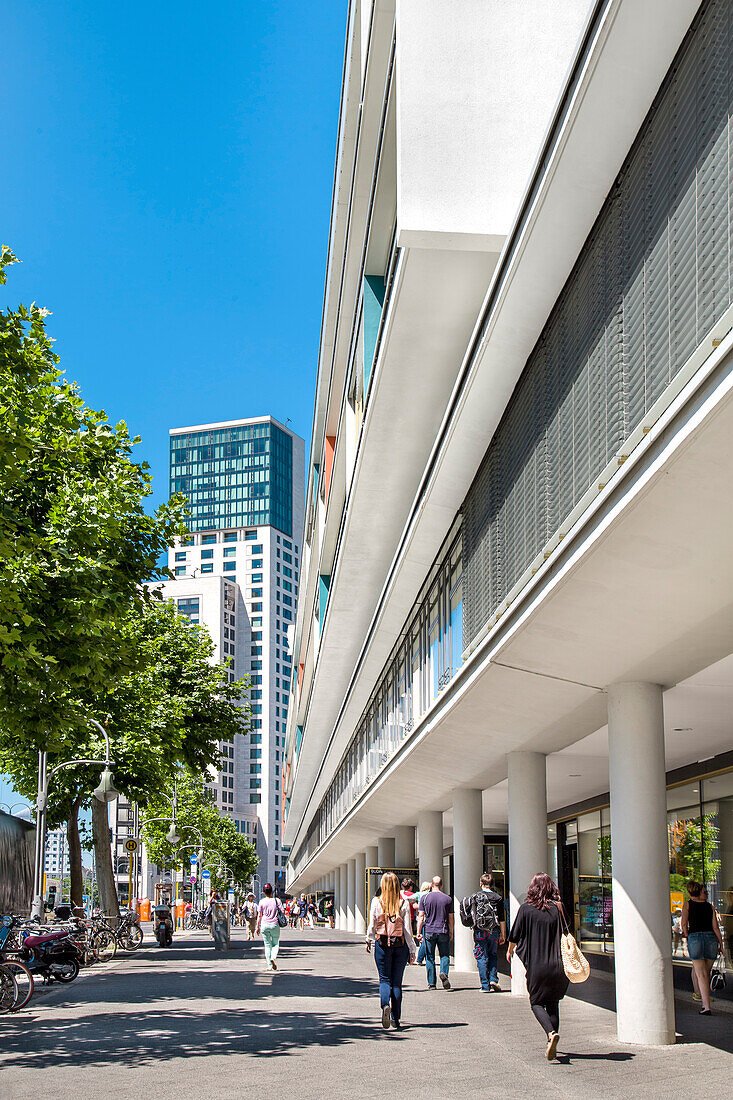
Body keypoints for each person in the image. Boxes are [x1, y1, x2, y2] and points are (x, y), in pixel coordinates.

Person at [506, 872, 568, 1061]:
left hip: (537, 965)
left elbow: (514, 936)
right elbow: (567, 932)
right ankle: (552, 1039)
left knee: (536, 1002)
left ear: (533, 888)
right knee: (553, 1003)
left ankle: (550, 1034)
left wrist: (509, 951)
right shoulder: (558, 908)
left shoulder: (526, 909)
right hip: (558, 964)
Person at [366, 871, 416, 1029]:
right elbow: (407, 929)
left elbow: (372, 924)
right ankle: (396, 1018)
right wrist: (412, 949)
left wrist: (368, 939)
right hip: (400, 946)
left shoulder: (376, 902)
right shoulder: (404, 903)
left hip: (382, 945)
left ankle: (384, 1005)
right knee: (397, 983)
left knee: (384, 979)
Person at [682, 880, 723, 1015]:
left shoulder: (688, 905)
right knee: (707, 972)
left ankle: (706, 1006)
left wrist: (688, 936)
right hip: (711, 938)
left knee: (701, 974)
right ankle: (706, 1003)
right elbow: (716, 927)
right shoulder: (709, 907)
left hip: (695, 938)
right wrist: (721, 944)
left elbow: (683, 924)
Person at [463, 872, 506, 992]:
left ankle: (485, 985)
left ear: (481, 883)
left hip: (479, 930)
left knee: (481, 956)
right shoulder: (498, 898)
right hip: (494, 930)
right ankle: (493, 979)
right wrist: (503, 934)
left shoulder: (476, 897)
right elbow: (502, 918)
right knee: (493, 954)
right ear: (492, 884)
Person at [416, 875, 454, 990]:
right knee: (444, 955)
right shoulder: (448, 899)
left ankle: (432, 983)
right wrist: (451, 931)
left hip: (429, 930)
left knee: (430, 957)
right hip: (443, 930)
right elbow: (451, 917)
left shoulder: (425, 898)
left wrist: (418, 931)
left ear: (431, 885)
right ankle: (444, 973)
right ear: (442, 885)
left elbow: (421, 916)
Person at [256, 883, 285, 971]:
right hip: (274, 924)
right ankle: (273, 957)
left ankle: (269, 965)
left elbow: (259, 915)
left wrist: (257, 927)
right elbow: (282, 910)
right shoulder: (277, 901)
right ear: (272, 891)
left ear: (264, 892)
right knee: (275, 943)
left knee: (267, 945)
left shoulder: (261, 902)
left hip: (264, 925)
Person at [412, 881, 432, 966]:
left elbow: (408, 897)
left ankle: (420, 958)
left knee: (424, 939)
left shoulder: (419, 894)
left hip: (422, 919)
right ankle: (420, 958)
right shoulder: (430, 895)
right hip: (429, 919)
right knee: (425, 940)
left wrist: (415, 904)